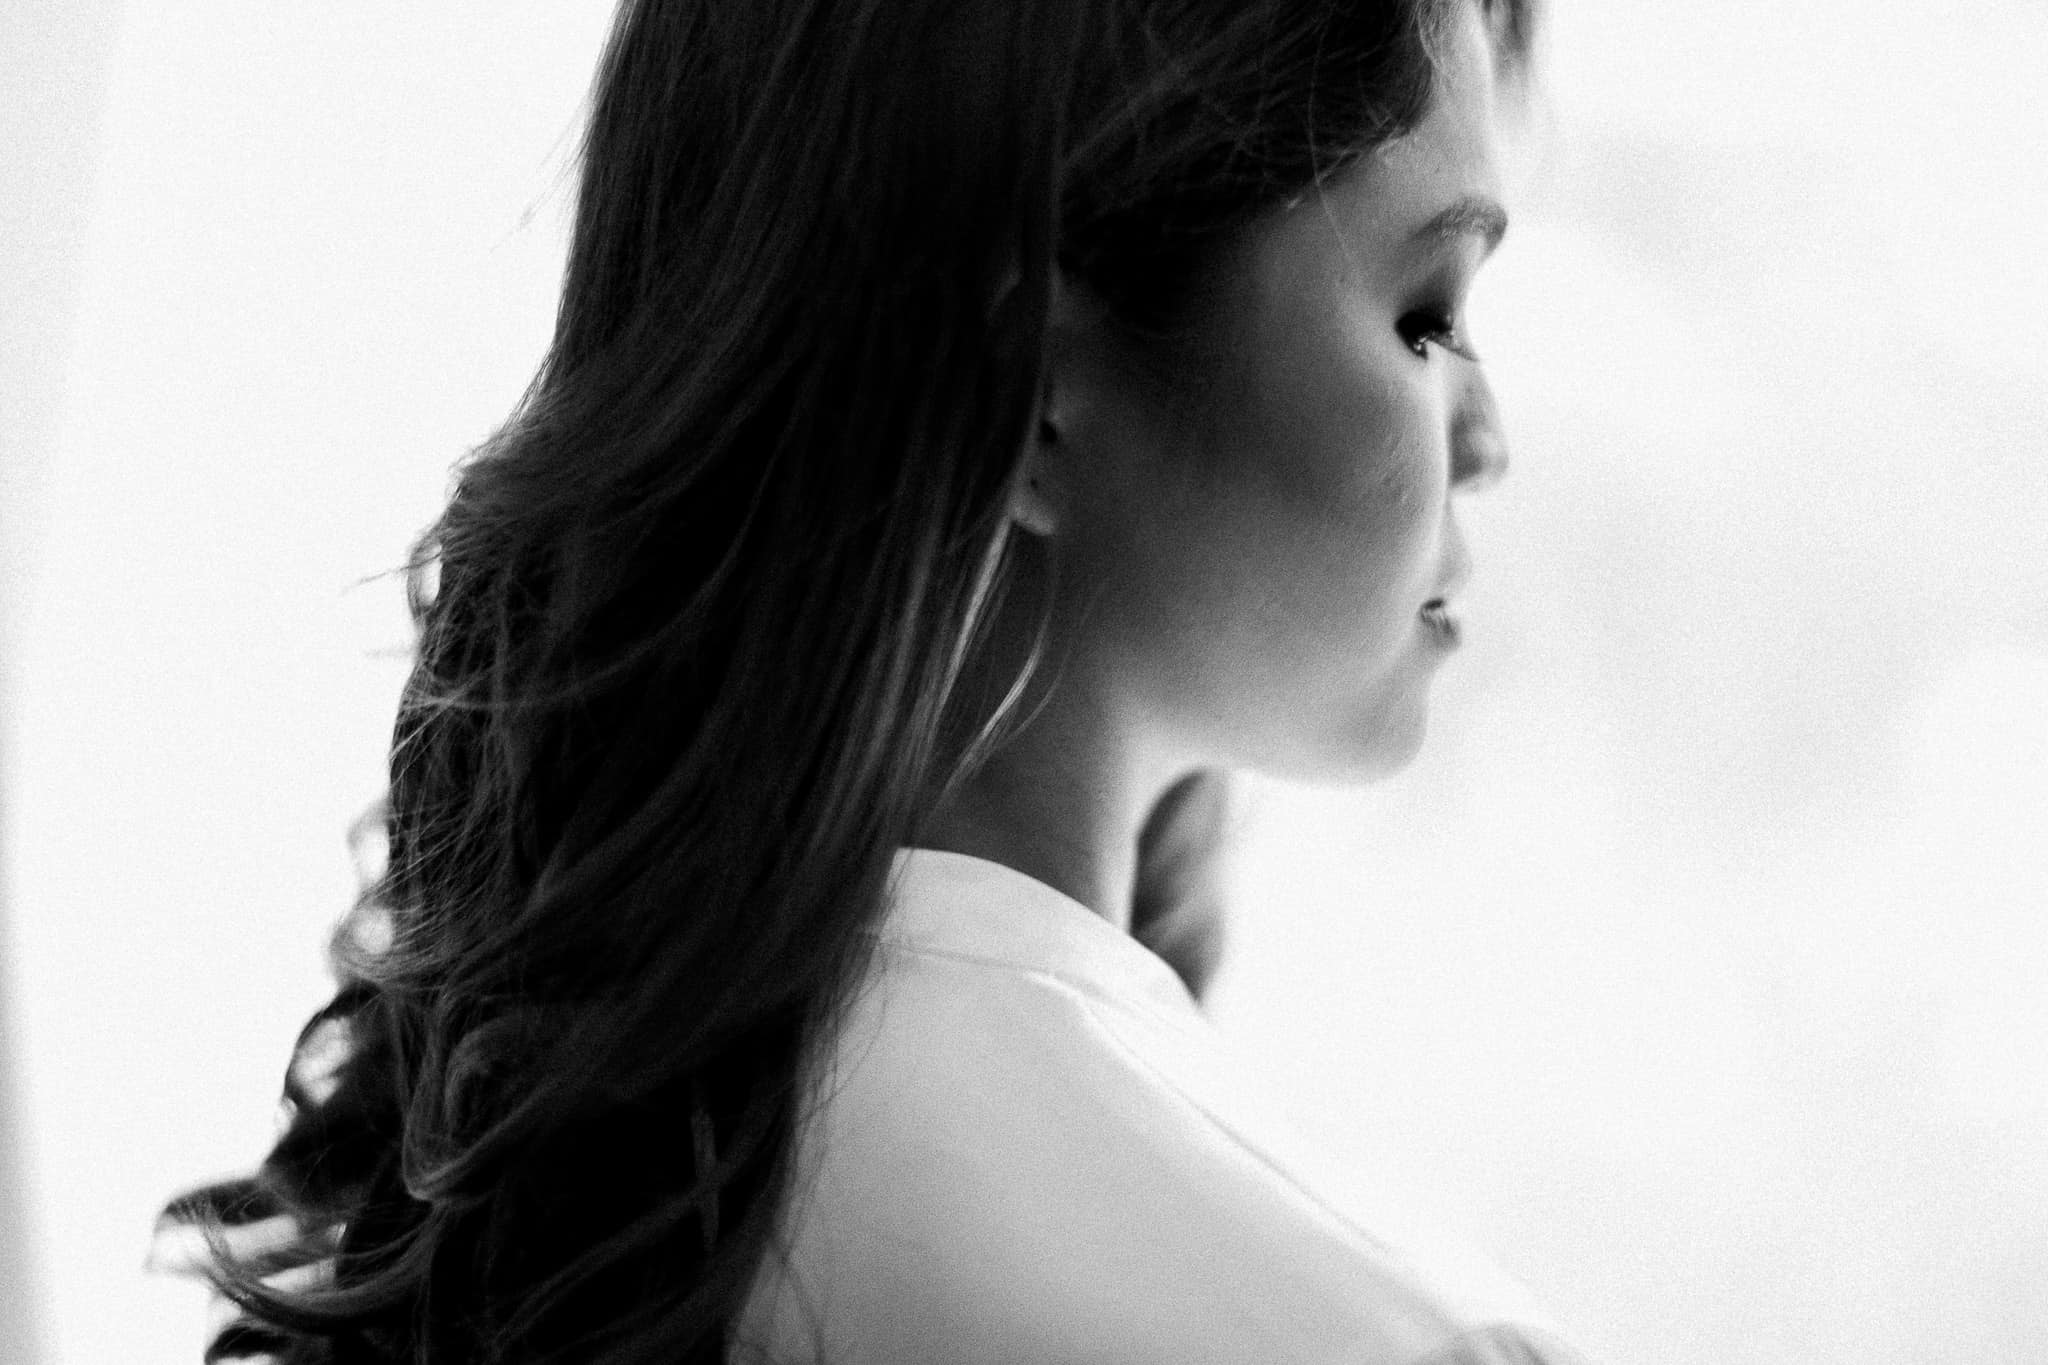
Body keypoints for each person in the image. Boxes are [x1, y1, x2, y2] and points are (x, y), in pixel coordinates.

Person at [155, 0, 1589, 1360]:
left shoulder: (610, 1140)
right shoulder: (1387, 1338)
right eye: (1428, 314)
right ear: (1033, 383)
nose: (1489, 440)